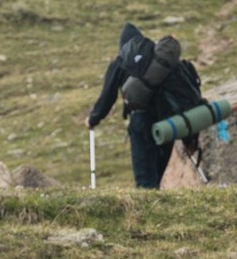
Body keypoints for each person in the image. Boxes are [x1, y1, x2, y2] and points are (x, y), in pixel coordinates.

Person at [85, 22, 205, 189]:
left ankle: (147, 212)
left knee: (144, 180)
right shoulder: (158, 60)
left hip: (141, 122)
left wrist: (93, 118)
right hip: (167, 123)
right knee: (156, 174)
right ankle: (156, 208)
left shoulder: (121, 62)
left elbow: (107, 96)